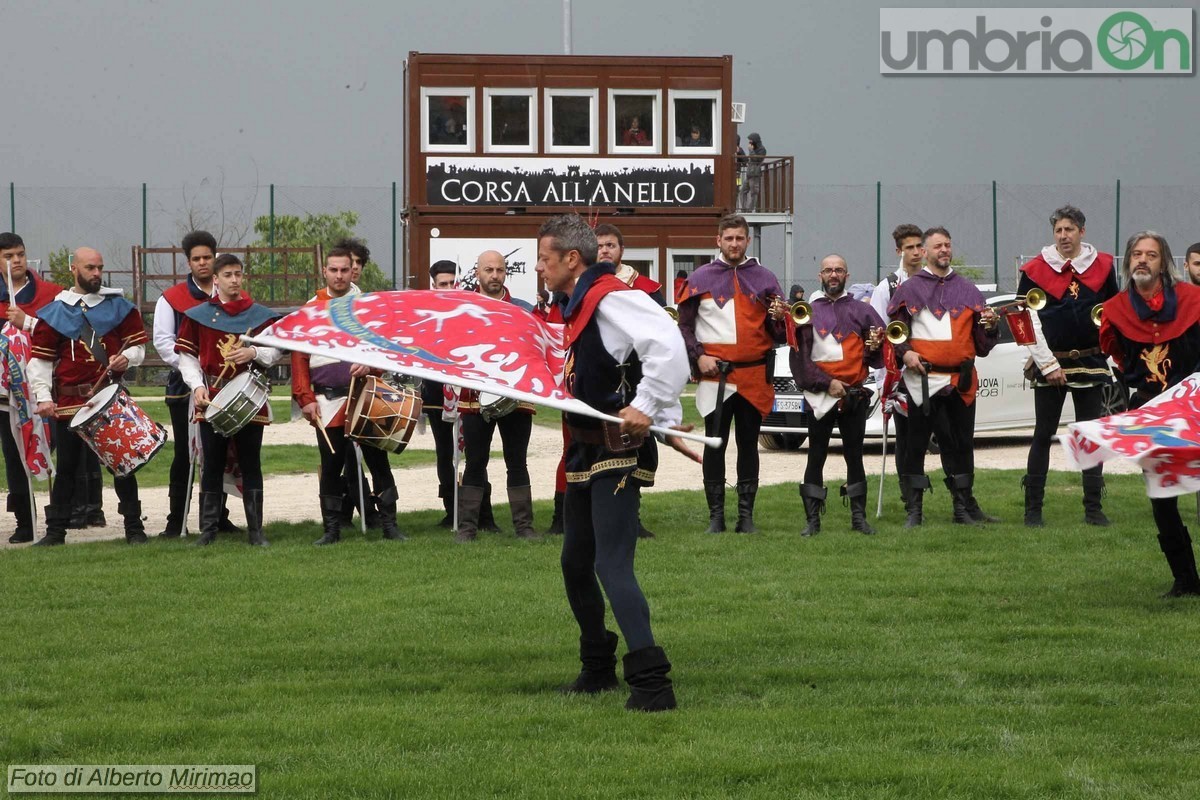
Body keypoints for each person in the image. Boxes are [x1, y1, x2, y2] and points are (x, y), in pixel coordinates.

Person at [535, 213, 695, 712]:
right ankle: (597, 668)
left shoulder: (612, 296)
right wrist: (662, 417)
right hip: (586, 448)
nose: (539, 268)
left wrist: (652, 411)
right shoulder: (575, 303)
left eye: (544, 258)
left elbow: (668, 348)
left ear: (571, 259)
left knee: (611, 563)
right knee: (574, 562)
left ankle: (653, 684)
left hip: (617, 451)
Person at [1099, 231, 1200, 597]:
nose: (1143, 260)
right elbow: (1121, 359)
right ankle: (1185, 579)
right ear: (1128, 262)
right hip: (1149, 410)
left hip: (1193, 407)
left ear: (1164, 263)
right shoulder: (1115, 311)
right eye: (1137, 254)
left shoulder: (1194, 301)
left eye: (1151, 255)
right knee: (1162, 495)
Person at [27, 248, 148, 546]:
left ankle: (134, 528)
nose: (96, 273)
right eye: (90, 268)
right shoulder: (54, 312)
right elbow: (39, 362)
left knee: (122, 465)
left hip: (108, 395)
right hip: (69, 402)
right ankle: (56, 532)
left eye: (100, 268)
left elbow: (138, 349)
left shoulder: (118, 307)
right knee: (67, 468)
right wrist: (44, 397)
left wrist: (127, 358)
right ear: (74, 270)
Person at [677, 214, 786, 533]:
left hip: (753, 375)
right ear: (718, 241)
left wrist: (780, 320)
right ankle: (716, 517)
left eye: (740, 238)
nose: (734, 244)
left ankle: (746, 516)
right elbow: (684, 325)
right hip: (717, 377)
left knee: (749, 444)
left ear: (748, 240)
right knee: (715, 444)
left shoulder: (765, 277)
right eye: (729, 238)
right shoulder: (700, 277)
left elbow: (776, 333)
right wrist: (699, 356)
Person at [887, 227, 1001, 527]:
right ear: (924, 251)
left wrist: (989, 326)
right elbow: (895, 333)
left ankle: (962, 508)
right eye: (938, 246)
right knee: (915, 445)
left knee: (961, 445)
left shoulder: (967, 289)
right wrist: (906, 353)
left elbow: (982, 344)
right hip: (921, 380)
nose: (944, 250)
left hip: (959, 381)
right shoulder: (910, 289)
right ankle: (915, 510)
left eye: (948, 245)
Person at [293, 248, 404, 545]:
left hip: (365, 394)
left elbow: (385, 347)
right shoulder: (311, 308)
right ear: (325, 271)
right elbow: (300, 356)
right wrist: (305, 398)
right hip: (327, 399)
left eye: (344, 270)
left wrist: (371, 364)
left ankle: (390, 526)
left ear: (352, 269)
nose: (339, 275)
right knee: (331, 464)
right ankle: (332, 530)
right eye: (334, 270)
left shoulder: (366, 305)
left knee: (378, 461)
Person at [1018, 206, 1120, 527]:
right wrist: (1047, 364)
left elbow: (1112, 313)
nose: (1064, 236)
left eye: (1069, 230)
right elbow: (1024, 321)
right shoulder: (1035, 269)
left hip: (1090, 360)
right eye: (1059, 230)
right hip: (1050, 363)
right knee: (1042, 434)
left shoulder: (1103, 266)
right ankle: (1033, 511)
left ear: (1082, 232)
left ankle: (1093, 509)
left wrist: (1113, 354)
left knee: (1090, 435)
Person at [175, 254, 281, 546]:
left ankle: (256, 532)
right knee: (212, 463)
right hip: (213, 398)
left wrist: (254, 353)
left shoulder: (259, 315)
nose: (234, 280)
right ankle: (208, 530)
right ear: (216, 280)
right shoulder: (197, 315)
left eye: (238, 274)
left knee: (251, 463)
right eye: (228, 275)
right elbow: (186, 358)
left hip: (249, 397)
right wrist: (197, 386)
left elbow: (275, 352)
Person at [152, 230, 240, 538]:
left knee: (220, 452)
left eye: (207, 257)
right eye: (196, 259)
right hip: (184, 387)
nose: (203, 263)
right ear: (188, 262)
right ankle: (176, 520)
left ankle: (216, 518)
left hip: (225, 385)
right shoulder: (172, 299)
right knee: (186, 455)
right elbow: (163, 342)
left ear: (215, 258)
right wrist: (192, 367)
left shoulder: (228, 294)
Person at [791, 255, 885, 536]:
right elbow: (800, 360)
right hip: (820, 395)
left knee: (854, 456)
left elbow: (877, 358)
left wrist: (875, 345)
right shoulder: (805, 311)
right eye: (829, 270)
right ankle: (812, 521)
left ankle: (859, 518)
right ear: (820, 274)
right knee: (816, 456)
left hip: (854, 394)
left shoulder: (862, 310)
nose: (834, 275)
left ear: (847, 274)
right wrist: (825, 383)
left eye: (839, 270)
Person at [455, 249, 538, 542]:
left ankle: (524, 527)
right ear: (477, 273)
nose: (494, 275)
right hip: (474, 396)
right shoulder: (462, 309)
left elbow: (534, 351)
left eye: (499, 270)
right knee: (475, 461)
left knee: (517, 461)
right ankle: (467, 527)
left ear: (506, 273)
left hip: (516, 396)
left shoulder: (523, 309)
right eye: (488, 270)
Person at [0, 233, 63, 543]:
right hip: (5, 395)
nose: (17, 260)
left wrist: (28, 321)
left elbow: (62, 333)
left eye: (21, 254)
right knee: (14, 454)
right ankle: (25, 520)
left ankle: (65, 514)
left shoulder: (50, 295)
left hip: (44, 388)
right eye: (9, 255)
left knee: (49, 446)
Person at [871, 223, 926, 499]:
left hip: (933, 369)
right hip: (900, 374)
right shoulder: (888, 287)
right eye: (909, 248)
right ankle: (909, 495)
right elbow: (878, 332)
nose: (916, 252)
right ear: (898, 251)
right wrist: (884, 381)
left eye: (919, 246)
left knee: (929, 435)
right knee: (905, 436)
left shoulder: (934, 280)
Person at [421, 260, 461, 528]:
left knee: (472, 452)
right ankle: (451, 508)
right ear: (433, 285)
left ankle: (476, 508)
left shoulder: (468, 309)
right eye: (442, 284)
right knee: (444, 452)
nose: (447, 288)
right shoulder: (424, 313)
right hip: (436, 393)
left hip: (466, 391)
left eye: (451, 283)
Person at [737, 133, 765, 212]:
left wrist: (751, 151)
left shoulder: (762, 149)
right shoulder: (753, 149)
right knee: (742, 191)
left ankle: (750, 209)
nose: (749, 143)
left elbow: (757, 160)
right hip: (749, 174)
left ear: (755, 141)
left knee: (754, 192)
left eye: (750, 141)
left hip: (755, 174)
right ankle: (744, 208)